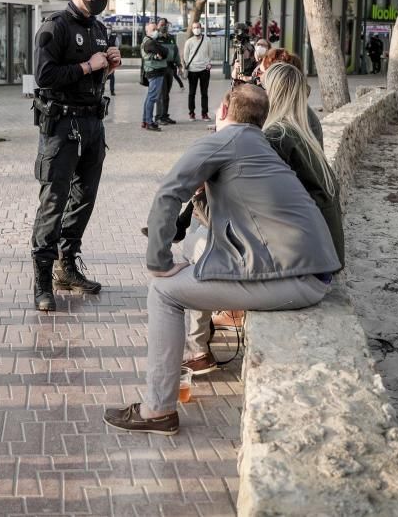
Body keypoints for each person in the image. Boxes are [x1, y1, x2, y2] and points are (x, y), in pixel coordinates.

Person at [103, 84, 341, 435]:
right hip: (310, 272)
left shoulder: (222, 140)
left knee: (163, 291)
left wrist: (159, 261)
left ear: (225, 110)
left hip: (295, 280)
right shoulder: (259, 144)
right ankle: (173, 384)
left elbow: (168, 193)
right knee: (187, 267)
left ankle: (157, 410)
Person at [182, 63, 345, 375]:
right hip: (323, 252)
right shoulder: (304, 125)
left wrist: (201, 189)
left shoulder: (274, 138)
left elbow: (230, 218)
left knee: (199, 247)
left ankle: (197, 349)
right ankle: (225, 314)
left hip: (302, 262)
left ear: (271, 95)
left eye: (261, 86)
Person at [31, 0, 121, 311]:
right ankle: (41, 281)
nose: (103, 0)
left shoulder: (99, 28)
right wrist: (89, 66)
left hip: (93, 125)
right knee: (53, 200)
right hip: (61, 127)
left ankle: (66, 266)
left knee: (84, 198)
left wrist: (109, 63)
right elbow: (44, 75)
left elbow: (98, 69)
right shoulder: (56, 26)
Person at [182, 21, 212, 121]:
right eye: (194, 27)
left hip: (204, 70)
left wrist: (208, 64)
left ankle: (205, 113)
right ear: (192, 29)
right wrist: (188, 66)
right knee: (192, 93)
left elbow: (210, 54)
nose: (196, 29)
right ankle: (191, 113)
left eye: (198, 27)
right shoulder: (189, 41)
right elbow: (186, 57)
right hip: (192, 70)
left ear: (201, 28)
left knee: (204, 93)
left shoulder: (207, 40)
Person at [141, 22, 168, 131]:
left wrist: (162, 53)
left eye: (156, 29)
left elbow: (165, 52)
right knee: (152, 98)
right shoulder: (149, 43)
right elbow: (164, 51)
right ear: (147, 31)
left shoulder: (151, 41)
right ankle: (149, 122)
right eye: (153, 29)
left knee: (149, 97)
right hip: (155, 72)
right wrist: (161, 53)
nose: (156, 31)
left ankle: (145, 120)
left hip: (154, 72)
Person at [154, 18, 181, 124]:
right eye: (161, 24)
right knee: (161, 94)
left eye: (165, 24)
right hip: (160, 68)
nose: (164, 26)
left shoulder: (171, 38)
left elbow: (176, 52)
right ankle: (158, 117)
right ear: (157, 26)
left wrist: (179, 64)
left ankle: (165, 115)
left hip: (170, 68)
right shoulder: (155, 38)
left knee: (166, 94)